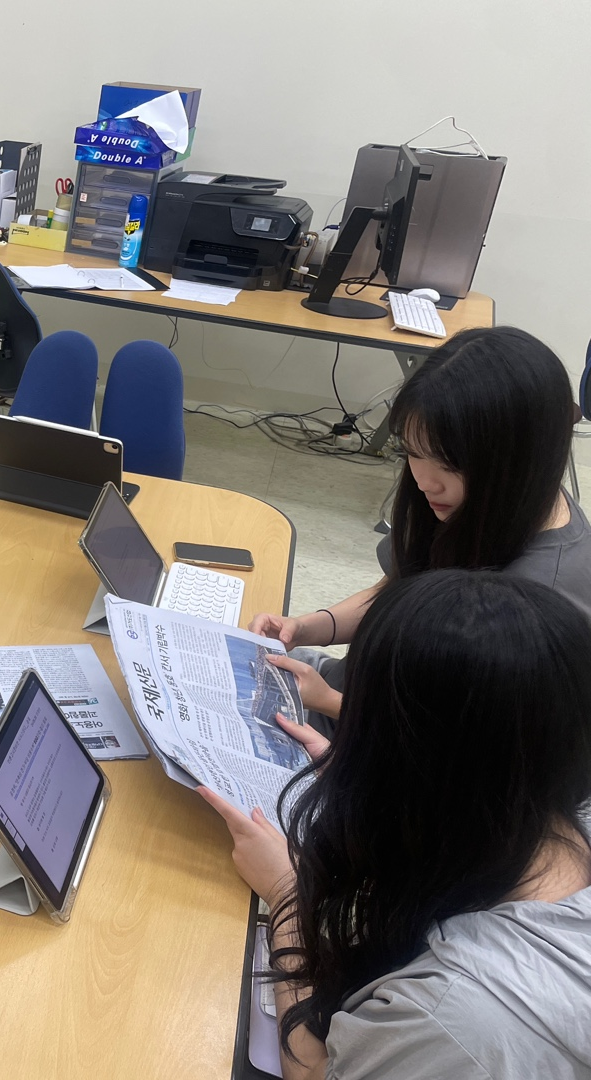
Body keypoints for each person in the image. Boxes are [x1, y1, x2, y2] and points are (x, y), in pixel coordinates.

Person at [203, 571, 591, 1079]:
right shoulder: (549, 807)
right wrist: (367, 779)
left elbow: (315, 1071)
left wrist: (286, 897)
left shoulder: (453, 1018)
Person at [249, 326, 590, 725]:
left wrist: (327, 702)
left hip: (385, 740)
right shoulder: (483, 500)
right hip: (357, 693)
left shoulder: (541, 598)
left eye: (449, 463)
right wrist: (305, 628)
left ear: (518, 460)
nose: (426, 481)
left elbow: (460, 744)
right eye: (411, 451)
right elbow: (396, 590)